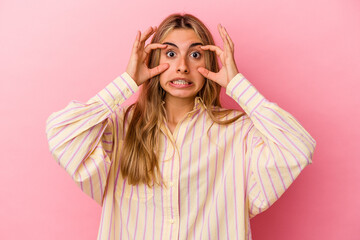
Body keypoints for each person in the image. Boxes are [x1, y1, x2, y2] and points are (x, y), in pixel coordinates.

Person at [45, 13, 316, 240]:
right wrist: (127, 81)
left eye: (195, 54)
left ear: (209, 63)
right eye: (171, 54)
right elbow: (61, 135)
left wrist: (238, 86)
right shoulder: (120, 128)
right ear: (152, 62)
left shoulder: (238, 132)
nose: (182, 67)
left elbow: (298, 147)